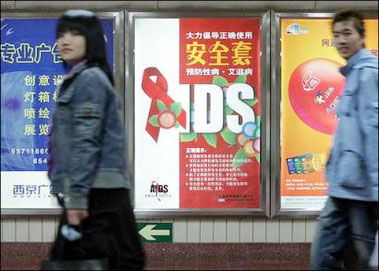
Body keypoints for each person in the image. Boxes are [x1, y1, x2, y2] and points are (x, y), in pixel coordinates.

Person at [46, 9, 145, 270]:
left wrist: (76, 197)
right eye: (61, 34)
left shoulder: (89, 79)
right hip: (93, 189)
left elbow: (86, 141)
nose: (65, 40)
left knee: (118, 259)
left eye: (75, 33)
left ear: (91, 39)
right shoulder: (78, 79)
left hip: (97, 192)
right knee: (113, 258)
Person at [310, 10, 378, 270]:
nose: (341, 40)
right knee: (342, 257)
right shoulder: (353, 75)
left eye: (347, 33)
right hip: (344, 188)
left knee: (357, 258)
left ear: (362, 37)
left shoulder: (368, 75)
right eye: (337, 35)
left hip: (360, 193)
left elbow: (373, 135)